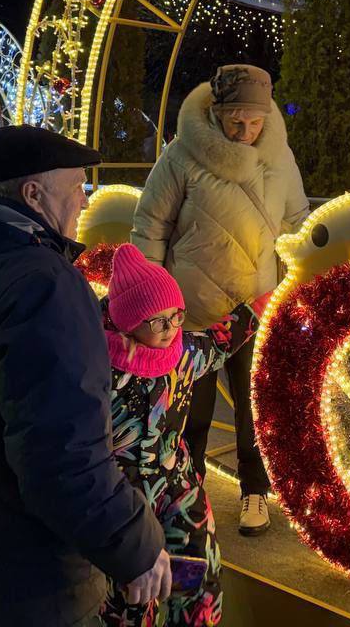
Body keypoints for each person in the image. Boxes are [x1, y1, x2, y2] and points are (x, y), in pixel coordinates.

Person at [0, 125, 170, 626]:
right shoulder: (41, 285)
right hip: (21, 585)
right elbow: (62, 459)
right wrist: (136, 545)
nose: (85, 200)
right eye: (77, 186)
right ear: (33, 194)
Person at [132, 64, 308, 536]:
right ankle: (191, 490)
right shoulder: (181, 155)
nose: (244, 130)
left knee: (255, 407)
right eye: (235, 120)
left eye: (254, 121)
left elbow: (297, 223)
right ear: (215, 112)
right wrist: (152, 303)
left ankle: (255, 490)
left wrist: (293, 283)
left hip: (256, 307)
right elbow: (150, 225)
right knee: (192, 410)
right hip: (192, 310)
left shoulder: (280, 159)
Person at [99, 243, 270, 627]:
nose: (171, 329)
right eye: (157, 321)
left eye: (176, 317)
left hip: (178, 489)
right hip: (119, 497)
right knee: (129, 597)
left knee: (197, 582)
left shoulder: (185, 353)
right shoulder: (97, 364)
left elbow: (224, 339)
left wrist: (263, 300)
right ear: (127, 321)